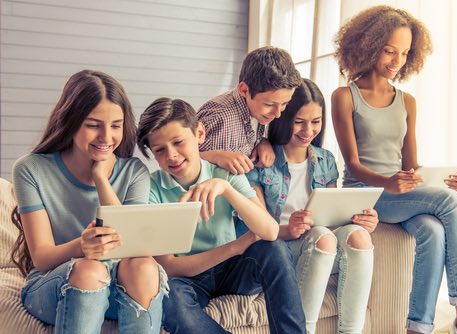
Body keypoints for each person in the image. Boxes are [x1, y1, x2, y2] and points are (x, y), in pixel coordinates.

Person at [331, 5, 457, 334]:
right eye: (389, 51)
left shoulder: (407, 101)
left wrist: (447, 181)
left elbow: (411, 166)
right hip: (367, 192)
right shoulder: (345, 96)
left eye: (404, 53)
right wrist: (388, 183)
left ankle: (418, 327)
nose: (396, 61)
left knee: (433, 228)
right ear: (368, 45)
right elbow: (354, 166)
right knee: (450, 204)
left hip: (400, 192)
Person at [10, 70, 167, 334]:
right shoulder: (31, 169)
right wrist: (83, 247)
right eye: (94, 125)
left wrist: (101, 180)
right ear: (70, 121)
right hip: (55, 284)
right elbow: (42, 258)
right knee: (89, 271)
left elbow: (130, 245)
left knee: (144, 266)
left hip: (119, 288)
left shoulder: (134, 172)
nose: (106, 138)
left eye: (116, 125)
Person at [136, 97, 306, 334]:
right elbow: (170, 266)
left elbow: (270, 231)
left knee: (274, 248)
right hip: (188, 279)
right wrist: (235, 247)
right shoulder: (151, 190)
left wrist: (225, 188)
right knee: (167, 294)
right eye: (160, 150)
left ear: (200, 134)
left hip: (232, 272)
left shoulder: (224, 173)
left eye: (178, 142)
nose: (172, 155)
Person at [246, 79, 378, 334]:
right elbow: (258, 229)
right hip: (280, 251)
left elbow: (331, 218)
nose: (308, 130)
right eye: (299, 121)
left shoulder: (325, 160)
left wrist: (360, 219)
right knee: (322, 237)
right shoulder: (261, 160)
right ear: (283, 118)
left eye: (315, 121)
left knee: (359, 236)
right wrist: (288, 229)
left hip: (321, 245)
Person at [197, 46, 303, 175]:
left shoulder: (256, 109)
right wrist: (214, 156)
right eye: (269, 104)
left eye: (284, 103)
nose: (278, 113)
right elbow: (181, 164)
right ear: (244, 90)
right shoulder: (220, 118)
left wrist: (262, 141)